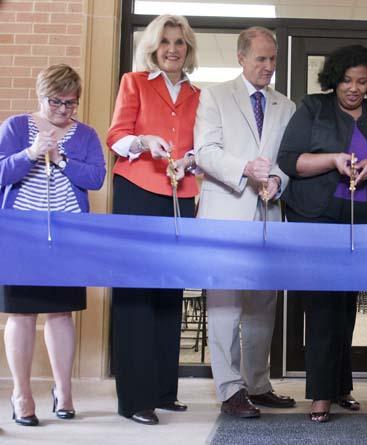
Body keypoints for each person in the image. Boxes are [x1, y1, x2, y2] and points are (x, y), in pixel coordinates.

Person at [278, 44, 367, 423]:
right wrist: (334, 160)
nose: (354, 88)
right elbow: (291, 161)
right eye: (348, 80)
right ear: (335, 79)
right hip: (313, 219)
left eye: (362, 82)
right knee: (322, 305)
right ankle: (320, 394)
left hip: (357, 220)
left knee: (347, 305)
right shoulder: (312, 107)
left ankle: (341, 386)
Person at [194, 26, 296, 419]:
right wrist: (246, 170)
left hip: (268, 215)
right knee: (224, 304)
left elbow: (286, 160)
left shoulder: (285, 106)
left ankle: (257, 383)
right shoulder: (215, 96)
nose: (269, 66)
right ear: (241, 58)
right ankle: (230, 389)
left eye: (272, 59)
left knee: (262, 304)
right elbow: (204, 151)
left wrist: (275, 179)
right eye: (261, 59)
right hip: (226, 212)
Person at [106, 14, 200, 425]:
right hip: (137, 191)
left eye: (179, 42)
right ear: (153, 47)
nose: (172, 49)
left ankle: (164, 390)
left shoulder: (199, 95)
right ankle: (134, 398)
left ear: (188, 49)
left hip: (181, 196)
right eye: (165, 42)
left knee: (170, 293)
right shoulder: (134, 82)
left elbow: (203, 145)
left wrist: (193, 159)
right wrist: (144, 141)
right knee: (135, 295)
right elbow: (116, 136)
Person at [0, 64, 106, 426]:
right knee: (22, 313)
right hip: (21, 234)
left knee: (61, 312)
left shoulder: (86, 135)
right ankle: (21, 393)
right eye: (56, 102)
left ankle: (63, 391)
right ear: (40, 95)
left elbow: (96, 177)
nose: (63, 110)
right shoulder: (16, 127)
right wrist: (29, 153)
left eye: (71, 103)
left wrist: (62, 158)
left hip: (67, 234)